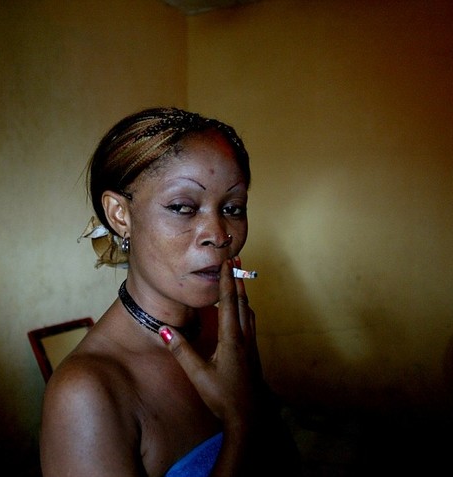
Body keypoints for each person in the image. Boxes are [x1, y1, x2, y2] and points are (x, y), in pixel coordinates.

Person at [40, 107, 299, 476]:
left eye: (233, 208)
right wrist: (241, 422)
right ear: (119, 215)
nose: (219, 235)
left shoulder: (225, 332)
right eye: (182, 207)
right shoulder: (85, 394)